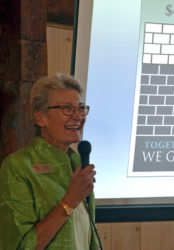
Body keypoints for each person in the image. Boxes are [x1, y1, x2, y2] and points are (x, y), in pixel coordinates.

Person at [0, 74, 100, 249]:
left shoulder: (78, 162)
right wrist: (70, 199)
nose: (78, 116)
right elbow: (20, 246)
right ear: (40, 118)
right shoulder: (18, 167)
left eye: (81, 108)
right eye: (67, 109)